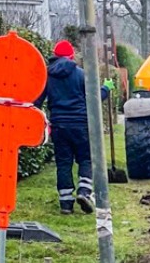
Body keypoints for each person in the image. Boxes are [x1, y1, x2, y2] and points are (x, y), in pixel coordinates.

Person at [36, 39, 105, 216]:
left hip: (59, 125)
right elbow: (94, 99)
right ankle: (84, 192)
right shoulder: (82, 74)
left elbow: (37, 101)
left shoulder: (46, 76)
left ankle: (66, 204)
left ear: (54, 55)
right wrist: (106, 89)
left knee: (63, 163)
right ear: (72, 56)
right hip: (81, 124)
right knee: (86, 159)